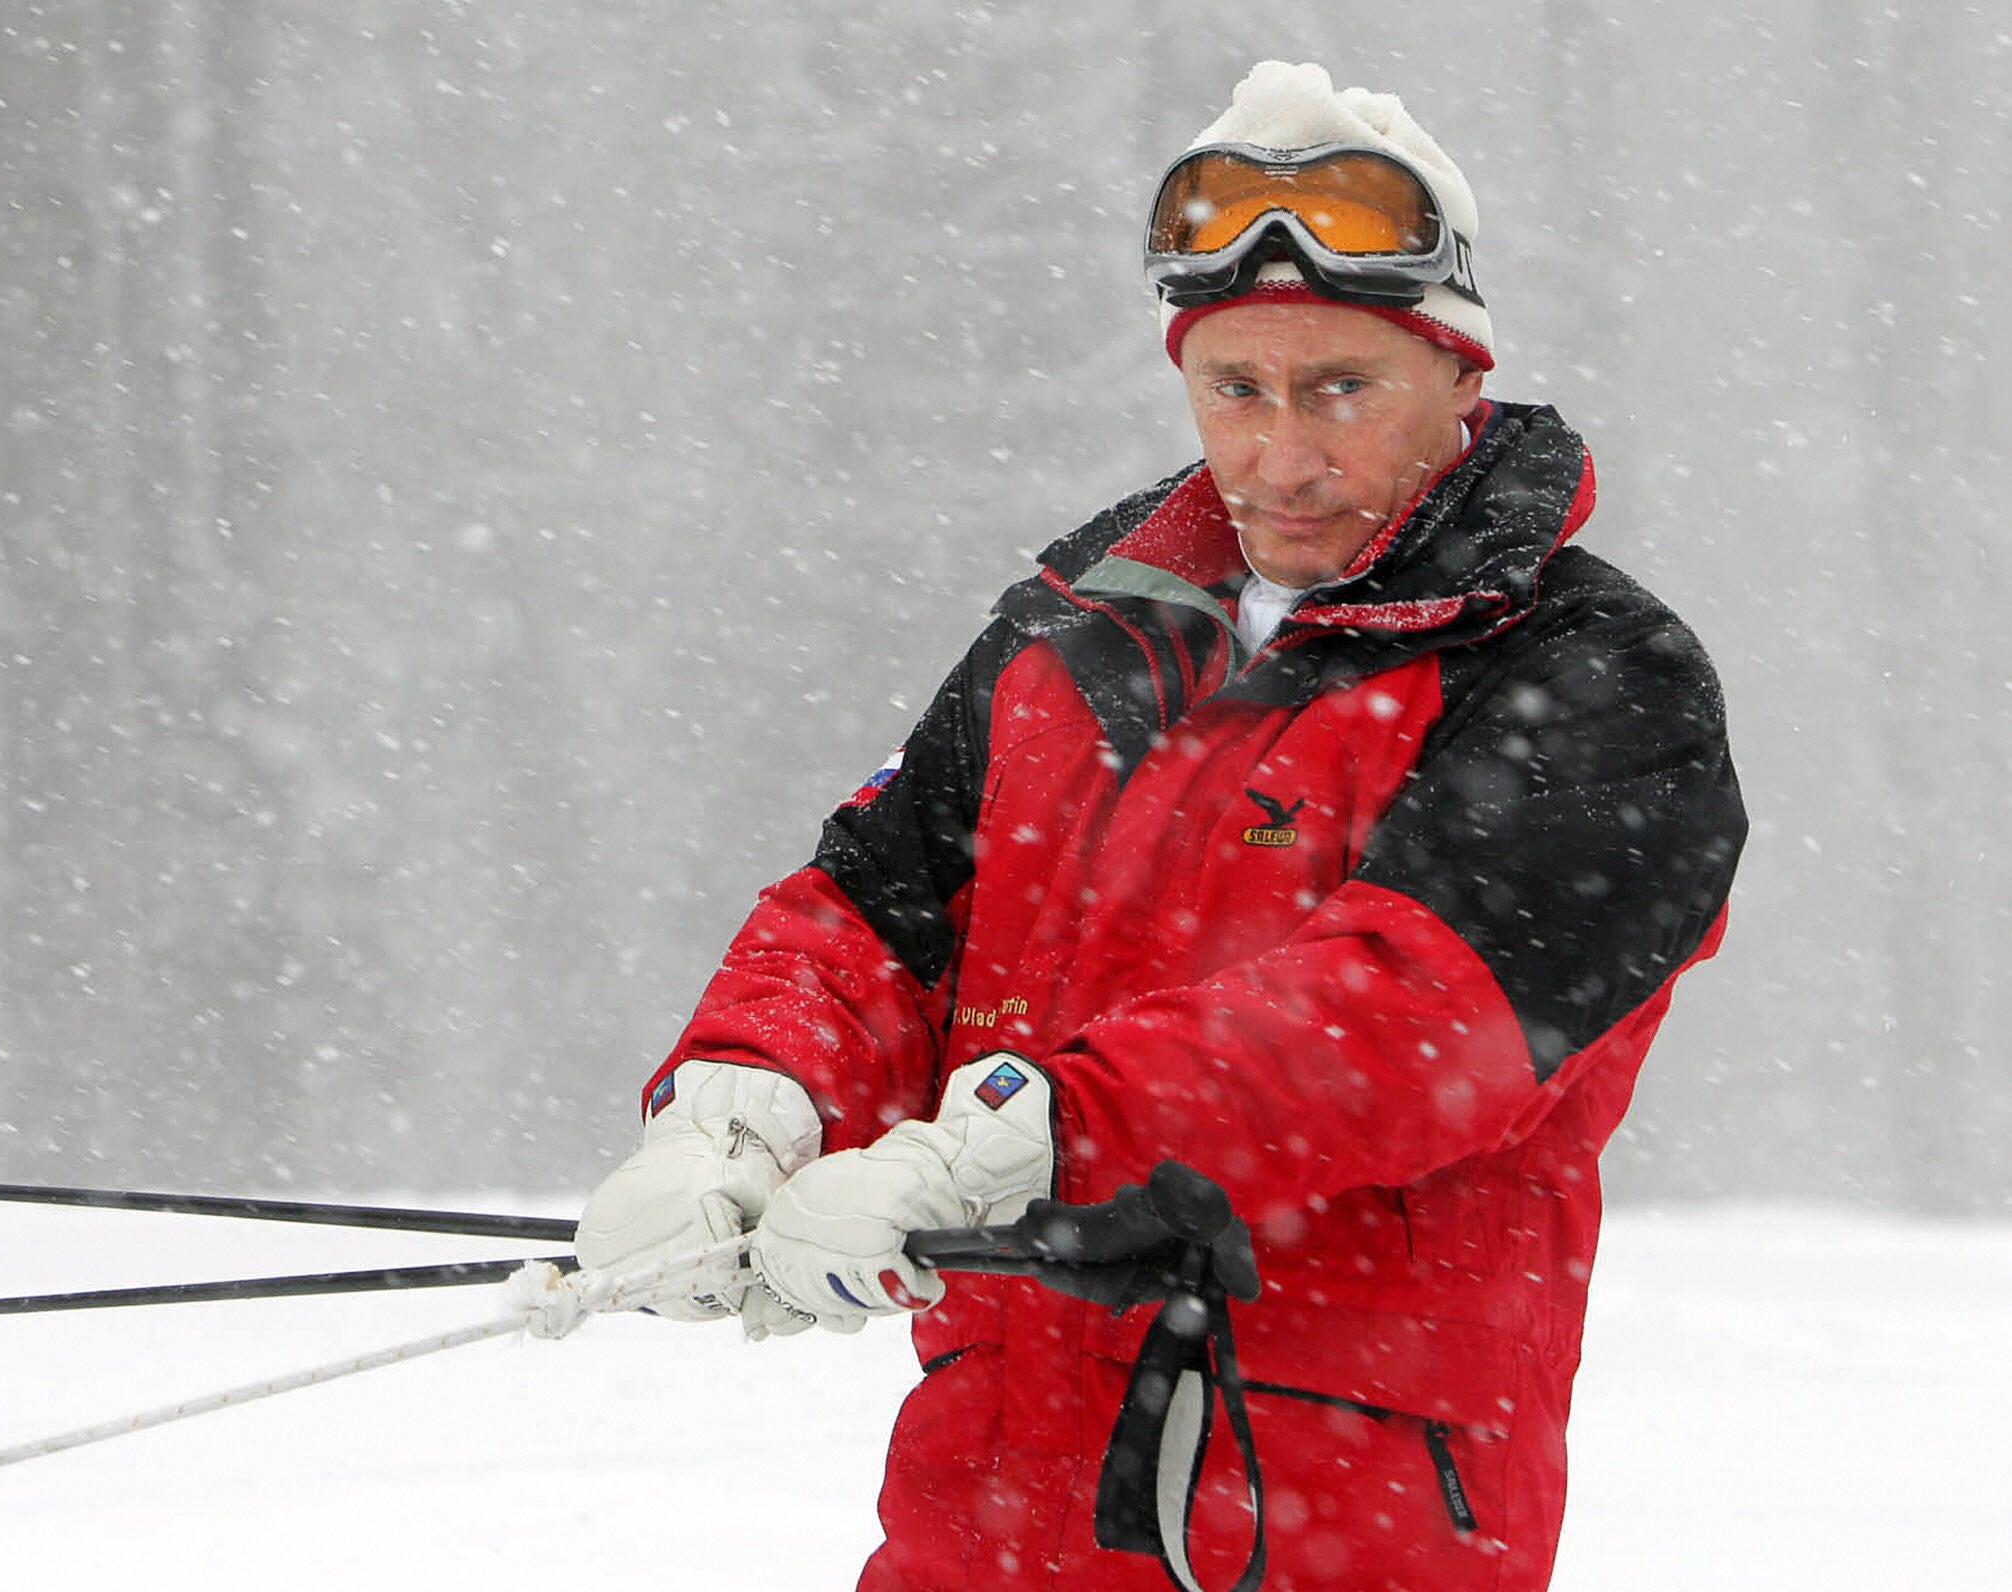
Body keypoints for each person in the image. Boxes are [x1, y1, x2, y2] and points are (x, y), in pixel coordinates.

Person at [575, 59, 1745, 1592]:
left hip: (1336, 1522)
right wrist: (744, 1111)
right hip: (984, 1515)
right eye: (1236, 389)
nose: (1281, 454)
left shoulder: (1593, 673)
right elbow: (870, 916)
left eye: (1341, 389)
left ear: (1460, 377)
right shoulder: (1073, 636)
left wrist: (1031, 1138)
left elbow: (1408, 1022)